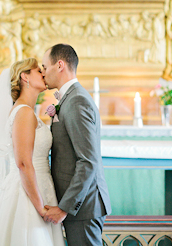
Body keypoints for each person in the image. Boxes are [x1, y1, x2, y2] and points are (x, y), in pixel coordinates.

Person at [0, 58, 64, 246]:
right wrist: (40, 208)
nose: (43, 73)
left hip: (39, 186)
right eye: (37, 70)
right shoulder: (24, 112)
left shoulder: (27, 111)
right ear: (25, 77)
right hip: (29, 194)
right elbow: (23, 163)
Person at [42, 44, 112, 246]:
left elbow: (88, 160)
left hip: (83, 207)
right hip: (80, 206)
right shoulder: (70, 99)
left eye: (45, 67)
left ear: (60, 65)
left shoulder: (76, 101)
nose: (44, 73)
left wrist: (64, 207)